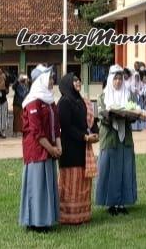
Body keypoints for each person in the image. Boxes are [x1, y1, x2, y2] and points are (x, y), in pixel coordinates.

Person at [95, 65, 146, 216]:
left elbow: (134, 112)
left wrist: (131, 115)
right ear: (110, 79)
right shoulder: (103, 97)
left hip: (125, 139)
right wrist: (112, 115)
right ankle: (111, 203)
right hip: (110, 137)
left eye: (120, 78)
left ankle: (123, 202)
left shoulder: (128, 95)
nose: (118, 82)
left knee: (125, 168)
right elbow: (101, 117)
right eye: (115, 78)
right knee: (110, 169)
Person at [19, 64, 61, 231]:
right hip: (36, 150)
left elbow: (56, 125)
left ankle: (46, 220)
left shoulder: (50, 101)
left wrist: (58, 145)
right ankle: (35, 221)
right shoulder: (32, 102)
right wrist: (52, 149)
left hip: (50, 148)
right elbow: (36, 131)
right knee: (36, 186)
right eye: (50, 78)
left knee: (47, 185)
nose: (52, 81)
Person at [57, 74, 99, 225]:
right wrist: (84, 137)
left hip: (82, 148)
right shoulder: (64, 102)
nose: (78, 82)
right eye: (74, 80)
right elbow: (66, 127)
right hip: (69, 148)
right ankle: (68, 217)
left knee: (82, 181)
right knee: (70, 183)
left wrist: (95, 133)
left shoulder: (83, 101)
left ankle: (83, 215)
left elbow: (92, 121)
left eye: (79, 80)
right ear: (68, 83)